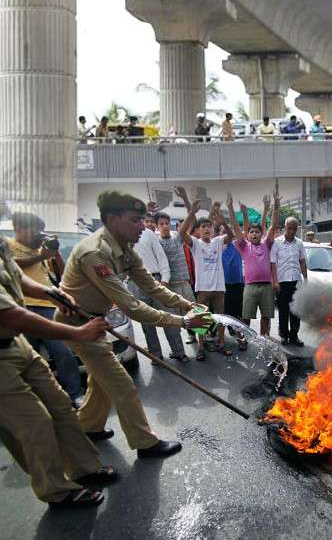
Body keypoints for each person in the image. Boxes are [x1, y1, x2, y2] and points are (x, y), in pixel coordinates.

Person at [56, 191, 211, 458]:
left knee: (101, 381)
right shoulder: (95, 253)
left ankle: (88, 425)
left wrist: (187, 304)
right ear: (112, 219)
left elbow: (151, 286)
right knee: (122, 385)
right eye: (135, 220)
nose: (143, 226)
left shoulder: (126, 249)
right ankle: (145, 443)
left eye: (142, 219)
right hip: (79, 324)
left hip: (96, 321)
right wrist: (184, 321)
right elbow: (131, 306)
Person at [0, 229, 117, 508]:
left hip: (16, 344)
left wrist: (51, 292)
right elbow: (12, 314)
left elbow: (16, 277)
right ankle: (56, 489)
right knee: (35, 423)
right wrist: (77, 333)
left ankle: (84, 469)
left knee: (62, 406)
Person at [9, 212, 83, 407]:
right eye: (34, 231)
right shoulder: (8, 246)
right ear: (20, 229)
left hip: (48, 306)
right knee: (28, 359)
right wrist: (41, 255)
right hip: (21, 307)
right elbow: (13, 267)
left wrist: (54, 254)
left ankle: (75, 395)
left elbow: (61, 272)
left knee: (63, 353)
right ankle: (35, 401)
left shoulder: (41, 249)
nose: (38, 235)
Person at [177, 197, 234, 360]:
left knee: (221, 318)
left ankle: (221, 343)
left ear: (213, 230)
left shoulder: (218, 241)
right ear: (198, 231)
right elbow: (181, 233)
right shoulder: (195, 243)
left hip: (219, 288)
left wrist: (223, 221)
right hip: (202, 288)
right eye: (203, 227)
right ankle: (201, 347)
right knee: (201, 318)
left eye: (209, 226)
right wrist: (191, 213)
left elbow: (232, 236)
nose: (207, 229)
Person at [129, 210, 187, 363]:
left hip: (156, 281)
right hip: (135, 284)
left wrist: (164, 281)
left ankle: (179, 352)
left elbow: (162, 259)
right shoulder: (122, 238)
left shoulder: (148, 234)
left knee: (169, 319)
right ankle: (156, 356)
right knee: (147, 323)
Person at [227, 191, 281, 336]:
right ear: (248, 234)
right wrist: (230, 207)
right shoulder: (244, 246)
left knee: (266, 316)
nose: (254, 234)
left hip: (266, 287)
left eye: (257, 232)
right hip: (250, 286)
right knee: (246, 316)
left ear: (260, 234)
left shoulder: (266, 244)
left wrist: (276, 207)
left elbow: (273, 225)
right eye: (251, 232)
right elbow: (235, 226)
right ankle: (245, 338)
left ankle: (264, 339)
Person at [154, 210, 196, 358]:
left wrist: (192, 211)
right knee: (173, 323)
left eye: (167, 223)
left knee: (196, 315)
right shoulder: (155, 243)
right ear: (157, 226)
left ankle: (203, 344)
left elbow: (184, 228)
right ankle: (179, 352)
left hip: (185, 285)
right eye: (162, 224)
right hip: (169, 288)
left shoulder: (177, 238)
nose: (165, 226)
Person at [270, 217, 308, 346]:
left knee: (296, 310)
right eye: (289, 228)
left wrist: (306, 279)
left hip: (296, 281)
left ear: (297, 229)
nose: (291, 231)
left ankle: (294, 336)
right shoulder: (277, 242)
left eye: (294, 229)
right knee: (283, 310)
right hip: (282, 282)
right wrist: (275, 281)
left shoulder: (299, 243)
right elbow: (273, 263)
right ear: (285, 228)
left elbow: (302, 262)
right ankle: (284, 335)